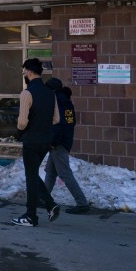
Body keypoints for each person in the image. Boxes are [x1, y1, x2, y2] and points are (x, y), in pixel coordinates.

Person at [12, 58, 60, 227]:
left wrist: (19, 129)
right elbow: (56, 119)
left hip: (31, 140)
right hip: (45, 141)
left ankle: (31, 215)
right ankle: (50, 205)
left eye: (24, 71)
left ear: (30, 72)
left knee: (31, 177)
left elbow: (22, 122)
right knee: (32, 173)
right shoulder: (50, 93)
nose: (24, 74)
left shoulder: (27, 93)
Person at [44, 79, 91, 214]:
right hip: (63, 141)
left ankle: (82, 203)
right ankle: (44, 198)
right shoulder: (66, 101)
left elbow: (59, 124)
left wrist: (53, 141)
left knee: (65, 173)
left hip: (58, 143)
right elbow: (71, 122)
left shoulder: (58, 101)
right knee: (51, 171)